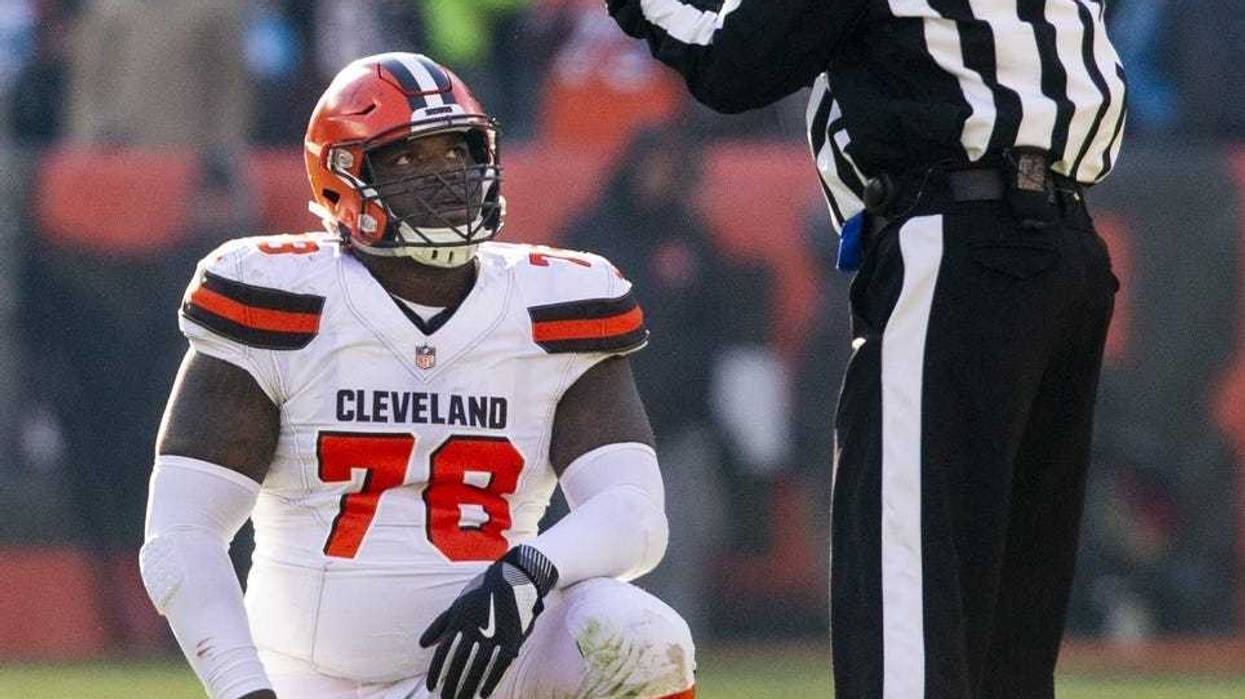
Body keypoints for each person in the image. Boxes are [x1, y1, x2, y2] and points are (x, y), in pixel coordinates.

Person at [608, 2, 1126, 697]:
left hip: (957, 239)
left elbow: (732, 63)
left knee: (907, 580)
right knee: (1007, 613)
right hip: (1067, 246)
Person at [140, 52, 696, 699]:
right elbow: (180, 534)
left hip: (491, 669)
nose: (449, 175)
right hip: (310, 679)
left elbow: (634, 515)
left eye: (460, 150)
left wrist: (531, 567)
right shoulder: (277, 298)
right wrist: (243, 689)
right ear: (341, 179)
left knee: (639, 634)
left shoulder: (556, 304)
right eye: (409, 158)